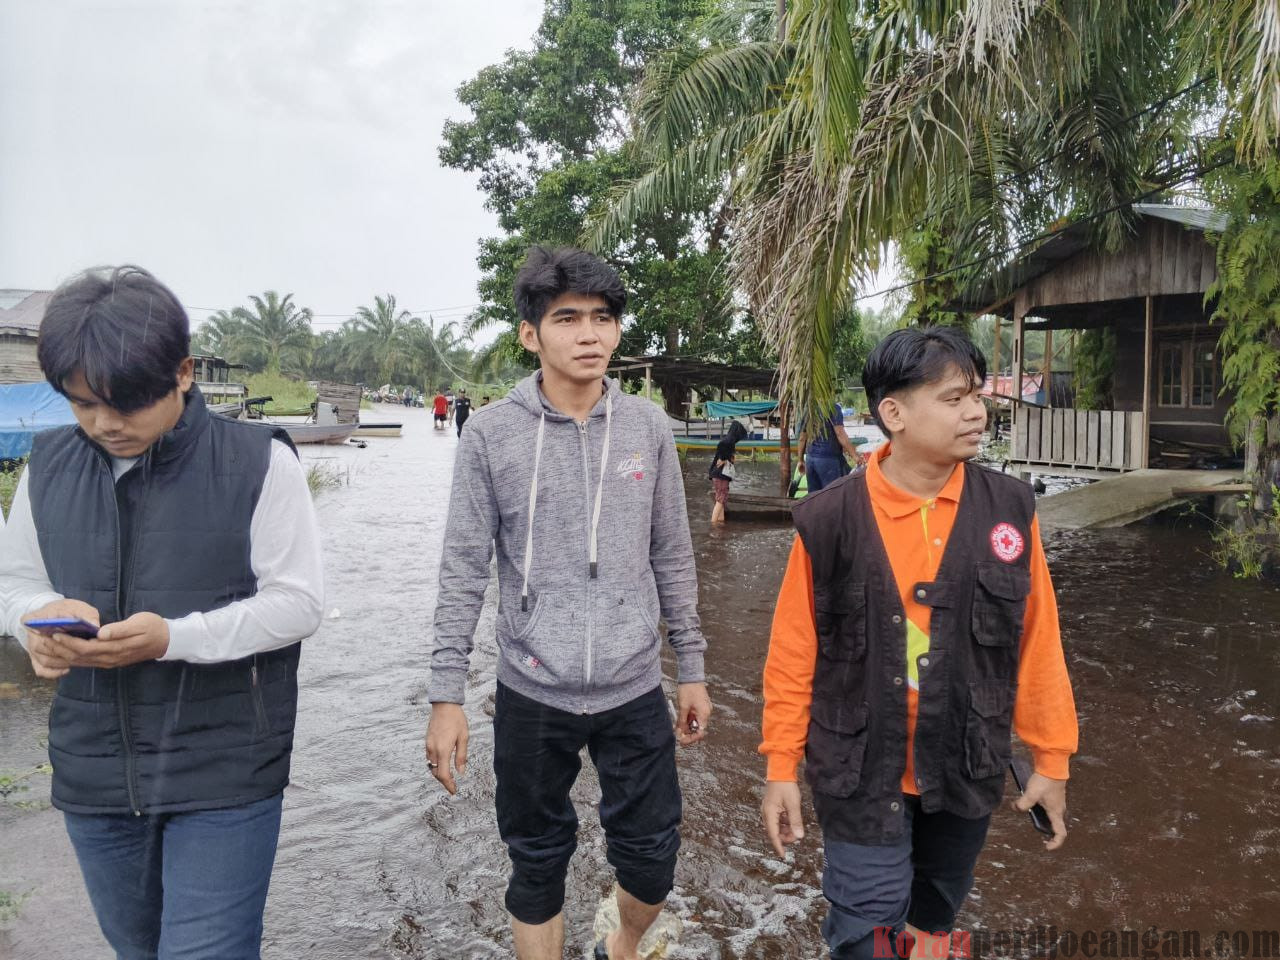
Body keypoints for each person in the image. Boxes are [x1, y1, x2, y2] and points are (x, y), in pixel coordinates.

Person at [0, 266, 324, 960]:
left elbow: (297, 604)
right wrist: (33, 618)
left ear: (182, 372)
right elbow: (14, 581)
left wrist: (171, 639)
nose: (104, 423)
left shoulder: (259, 463)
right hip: (93, 771)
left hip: (226, 772)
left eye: (127, 402)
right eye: (82, 403)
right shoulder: (48, 465)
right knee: (136, 951)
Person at [426, 246, 711, 960]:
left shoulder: (648, 429)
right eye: (568, 318)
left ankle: (618, 945)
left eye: (604, 318)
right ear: (531, 334)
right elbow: (463, 568)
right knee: (536, 859)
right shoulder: (491, 435)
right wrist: (445, 694)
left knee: (651, 863)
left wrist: (695, 665)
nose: (590, 334)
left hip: (634, 683)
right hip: (530, 685)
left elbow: (672, 552)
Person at [759, 326, 1077, 960]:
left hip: (965, 758)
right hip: (860, 769)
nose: (976, 411)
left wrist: (1052, 759)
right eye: (954, 398)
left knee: (934, 917)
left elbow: (1037, 641)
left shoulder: (1008, 512)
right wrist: (780, 765)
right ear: (894, 413)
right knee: (864, 934)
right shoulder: (829, 521)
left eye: (977, 395)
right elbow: (794, 652)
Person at [795, 401, 861, 492]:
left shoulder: (808, 409)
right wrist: (855, 456)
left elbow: (802, 438)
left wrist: (800, 460)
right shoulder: (833, 407)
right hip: (829, 461)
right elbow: (840, 433)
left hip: (811, 460)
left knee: (814, 497)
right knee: (832, 495)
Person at [708, 420, 748, 524]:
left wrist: (726, 459)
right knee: (721, 500)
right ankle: (713, 524)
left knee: (721, 499)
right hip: (721, 475)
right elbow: (721, 447)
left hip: (718, 475)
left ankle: (721, 523)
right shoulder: (728, 441)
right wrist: (724, 459)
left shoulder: (728, 440)